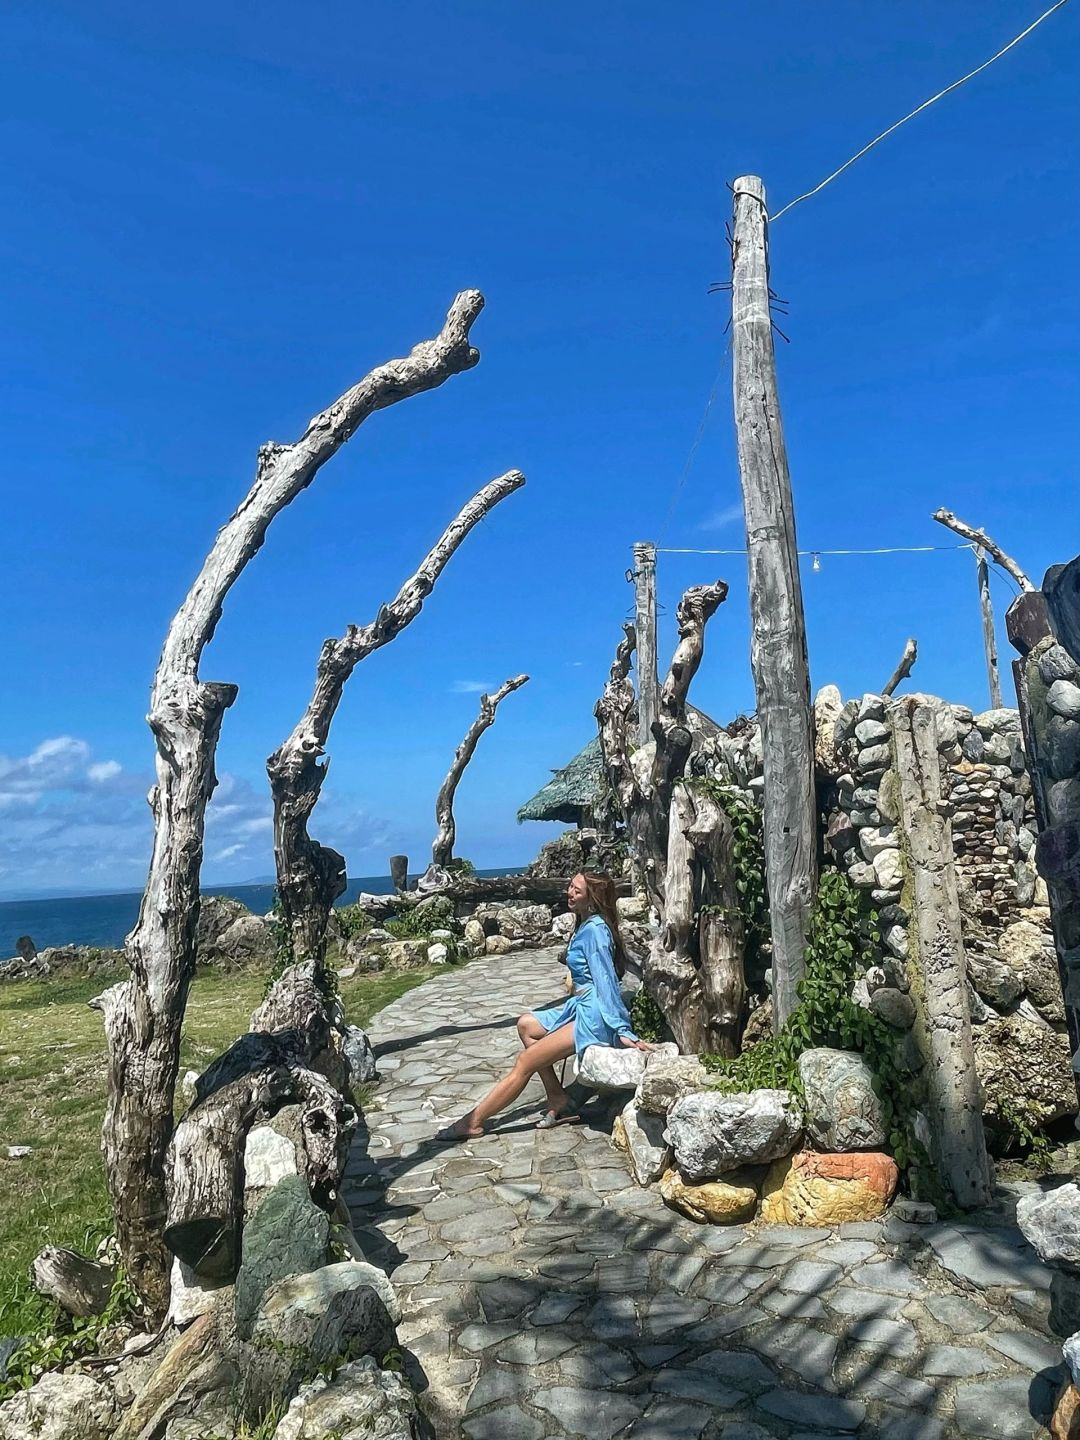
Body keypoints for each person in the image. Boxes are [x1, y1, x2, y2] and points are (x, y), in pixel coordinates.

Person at [436, 871, 652, 1140]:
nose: (569, 893)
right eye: (570, 887)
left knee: (525, 1061)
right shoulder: (585, 925)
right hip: (581, 1005)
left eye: (577, 891)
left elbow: (606, 980)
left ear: (592, 899)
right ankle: (556, 1096)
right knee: (526, 1024)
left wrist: (622, 1029)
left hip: (594, 1014)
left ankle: (474, 1122)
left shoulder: (596, 930)